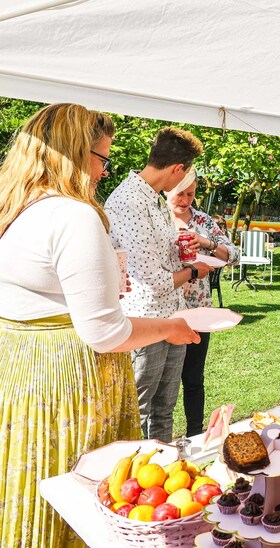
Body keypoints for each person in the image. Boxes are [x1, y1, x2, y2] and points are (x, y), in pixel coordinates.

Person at [0, 104, 199, 547]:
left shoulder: (16, 207)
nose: (104, 172)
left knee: (35, 475)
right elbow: (106, 332)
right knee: (79, 484)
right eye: (102, 158)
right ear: (74, 153)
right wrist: (169, 327)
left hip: (21, 369)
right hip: (67, 379)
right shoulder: (74, 215)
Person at [105, 127, 212, 442]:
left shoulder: (155, 200)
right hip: (147, 321)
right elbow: (152, 283)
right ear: (178, 169)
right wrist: (193, 272)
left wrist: (181, 252)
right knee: (139, 410)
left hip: (174, 315)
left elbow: (160, 260)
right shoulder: (128, 202)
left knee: (165, 408)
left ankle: (162, 468)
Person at [167, 168, 241, 437]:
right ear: (167, 189)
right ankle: (158, 438)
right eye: (180, 194)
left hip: (198, 312)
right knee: (164, 383)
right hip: (164, 313)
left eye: (191, 194)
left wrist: (206, 243)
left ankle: (195, 435)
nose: (185, 200)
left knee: (194, 379)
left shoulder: (203, 221)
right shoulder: (156, 219)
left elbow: (232, 255)